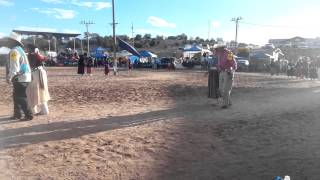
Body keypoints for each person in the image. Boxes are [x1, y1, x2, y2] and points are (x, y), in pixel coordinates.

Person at [5, 32, 33, 120]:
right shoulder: (20, 50)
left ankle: (28, 115)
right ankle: (17, 114)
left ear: (13, 41)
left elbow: (15, 67)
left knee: (20, 96)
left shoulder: (14, 51)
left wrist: (10, 77)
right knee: (16, 96)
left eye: (9, 41)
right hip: (25, 76)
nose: (7, 42)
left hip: (20, 77)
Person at [26, 44, 51, 115]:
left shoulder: (31, 55)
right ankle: (44, 109)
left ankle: (32, 109)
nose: (26, 49)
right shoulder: (38, 54)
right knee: (41, 90)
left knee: (32, 90)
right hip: (41, 72)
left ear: (30, 49)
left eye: (27, 48)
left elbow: (32, 65)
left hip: (35, 73)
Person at [214, 43, 237, 109]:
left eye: (218, 48)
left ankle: (225, 104)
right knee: (221, 89)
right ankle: (228, 102)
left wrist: (231, 70)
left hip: (228, 72)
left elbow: (233, 64)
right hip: (221, 72)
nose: (217, 49)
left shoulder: (228, 53)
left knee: (226, 89)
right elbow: (216, 57)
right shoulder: (219, 53)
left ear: (222, 48)